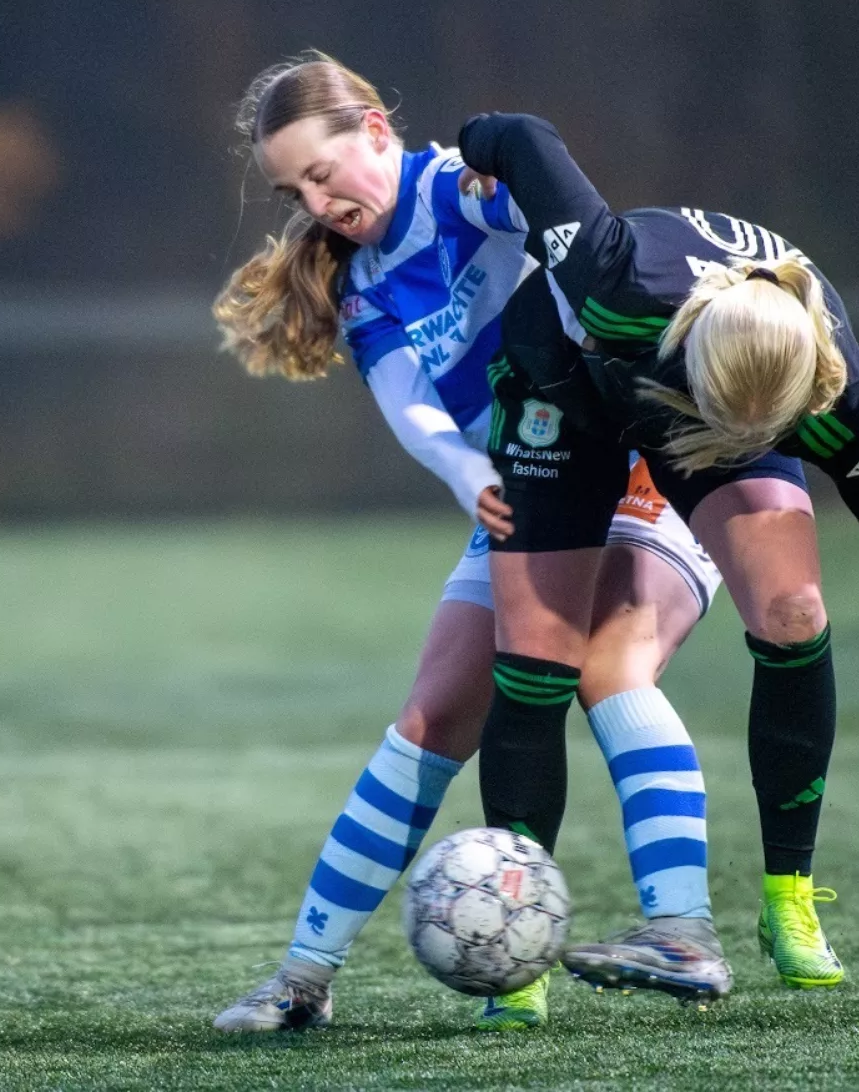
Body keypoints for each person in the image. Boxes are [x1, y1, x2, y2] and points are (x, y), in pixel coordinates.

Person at [207, 56, 730, 1033]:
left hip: (638, 465)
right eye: (296, 192)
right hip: (526, 493)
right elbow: (413, 409)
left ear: (374, 130)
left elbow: (587, 243)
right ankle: (302, 980)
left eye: (324, 173)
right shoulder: (363, 284)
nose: (317, 204)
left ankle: (684, 931)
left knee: (609, 669)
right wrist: (469, 474)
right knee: (429, 719)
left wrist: (516, 190)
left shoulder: (464, 191)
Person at [453, 112, 859, 997]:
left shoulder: (831, 383)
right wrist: (467, 162)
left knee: (793, 610)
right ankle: (519, 957)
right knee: (539, 660)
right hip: (569, 394)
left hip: (726, 399)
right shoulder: (609, 278)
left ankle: (789, 897)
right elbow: (520, 135)